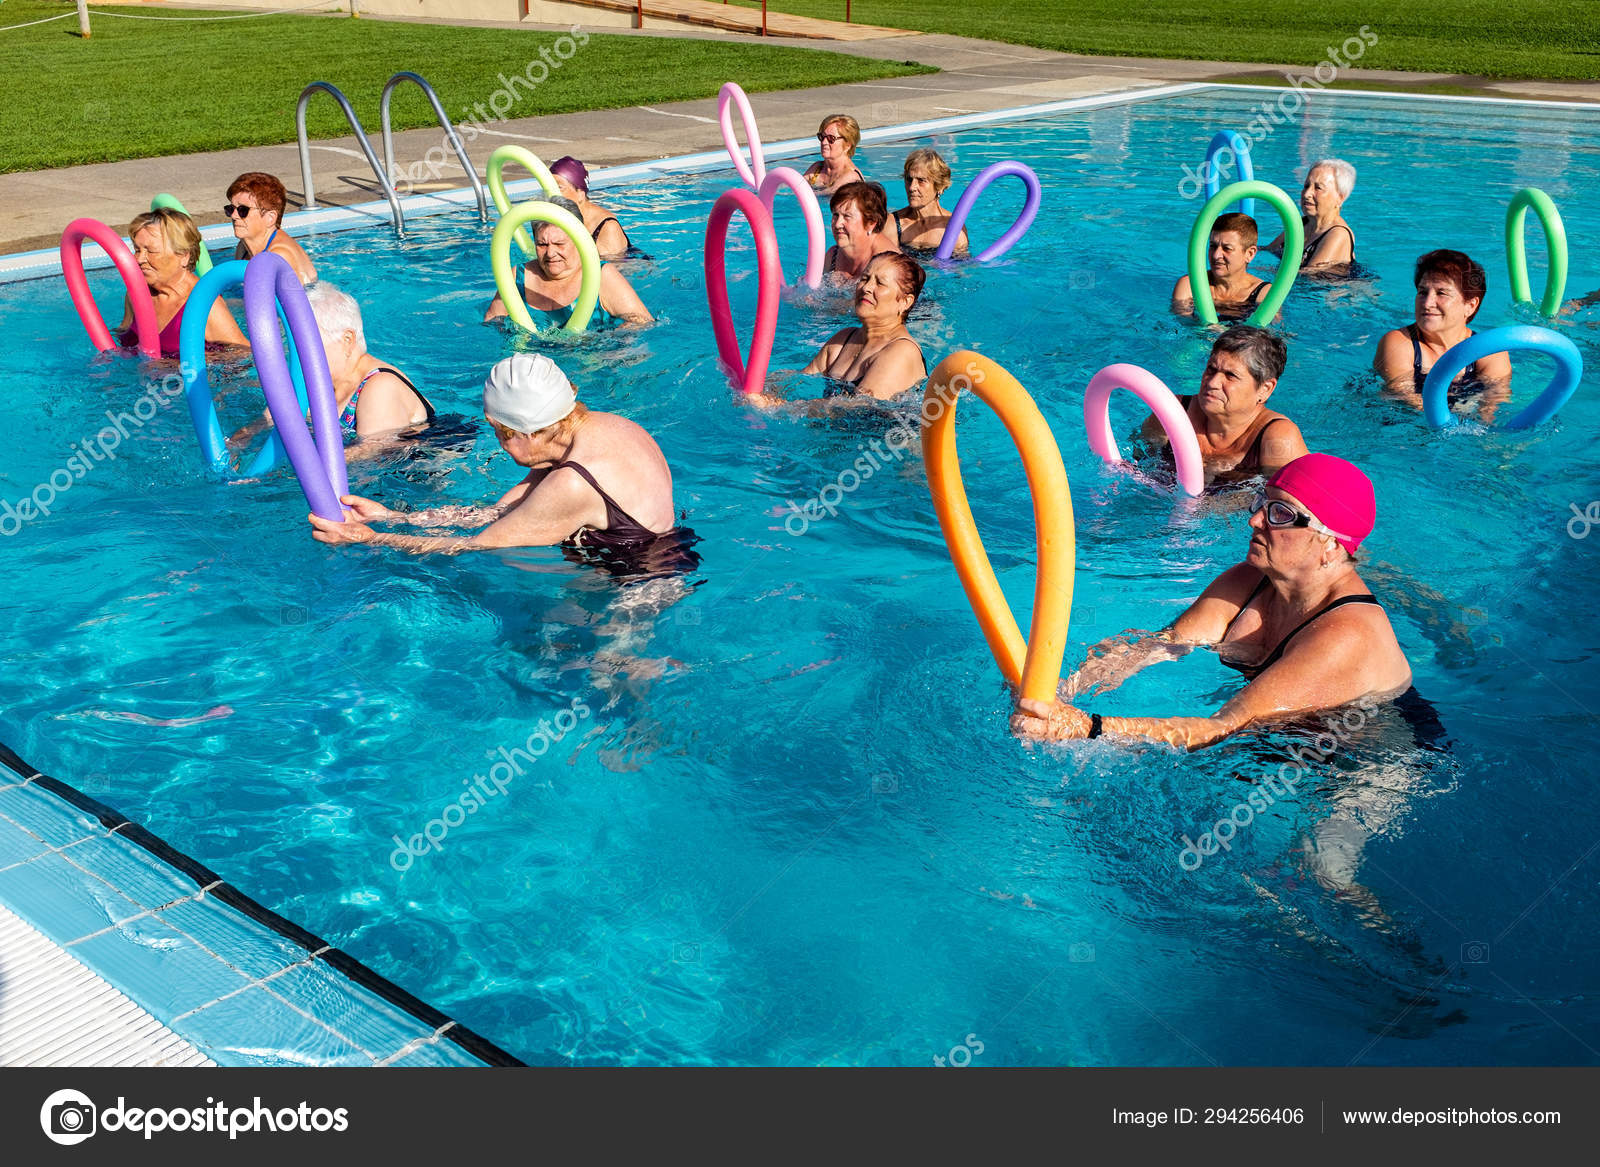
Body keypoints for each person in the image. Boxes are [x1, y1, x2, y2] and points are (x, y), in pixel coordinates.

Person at [1012, 454, 1412, 749]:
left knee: (1314, 862)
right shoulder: (1250, 580)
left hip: (1365, 766)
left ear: (1329, 543)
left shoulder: (1347, 635)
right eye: (1261, 503)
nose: (1255, 520)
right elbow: (1159, 645)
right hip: (1279, 745)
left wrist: (1088, 728)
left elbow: (1222, 727)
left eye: (1280, 513)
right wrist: (1058, 693)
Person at [308, 354, 698, 578]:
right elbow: (496, 512)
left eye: (498, 431)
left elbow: (472, 545)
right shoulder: (594, 428)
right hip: (666, 558)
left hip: (638, 591)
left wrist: (367, 538)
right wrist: (393, 516)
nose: (498, 440)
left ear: (524, 433)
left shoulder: (574, 484)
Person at [1139, 326, 1308, 485]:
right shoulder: (1173, 412)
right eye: (1211, 369)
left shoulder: (1278, 437)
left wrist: (1212, 505)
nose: (1212, 382)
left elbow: (1293, 503)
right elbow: (1140, 462)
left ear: (1265, 389)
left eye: (1230, 375)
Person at [1373, 250, 1511, 415]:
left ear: (1470, 305)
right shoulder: (1399, 343)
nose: (1427, 303)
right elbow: (1406, 399)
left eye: (1441, 293)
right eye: (1423, 292)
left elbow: (1492, 409)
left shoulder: (1490, 352)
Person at [483, 196, 651, 327]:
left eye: (559, 244)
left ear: (579, 240)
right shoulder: (519, 277)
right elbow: (491, 324)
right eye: (542, 244)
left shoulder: (601, 276)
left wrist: (609, 343)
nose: (550, 253)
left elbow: (643, 321)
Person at [117, 208, 248, 356]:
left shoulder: (205, 304)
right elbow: (123, 335)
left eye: (151, 251)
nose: (139, 259)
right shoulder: (136, 294)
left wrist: (176, 364)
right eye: (137, 250)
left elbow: (245, 354)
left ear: (184, 256)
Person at [800, 253, 927, 400]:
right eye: (865, 278)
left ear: (905, 302)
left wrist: (780, 406)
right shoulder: (844, 339)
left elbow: (852, 411)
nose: (866, 287)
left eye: (880, 283)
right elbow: (798, 382)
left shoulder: (901, 351)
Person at [1173, 212, 1272, 321]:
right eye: (1213, 246)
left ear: (1250, 254)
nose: (1216, 255)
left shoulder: (1263, 293)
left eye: (1227, 248)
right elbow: (1182, 325)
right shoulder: (1189, 285)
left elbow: (1269, 332)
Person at [226, 172, 317, 285]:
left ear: (270, 218)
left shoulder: (279, 256)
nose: (234, 216)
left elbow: (292, 301)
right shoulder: (243, 248)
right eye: (231, 209)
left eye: (243, 210)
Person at [1266, 159, 1356, 273]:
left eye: (1318, 188)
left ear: (1340, 198)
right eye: (1306, 185)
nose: (1307, 194)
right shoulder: (1303, 223)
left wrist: (1257, 271)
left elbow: (1307, 276)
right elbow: (1268, 250)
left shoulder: (1338, 234)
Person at [549, 156, 631, 259]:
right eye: (549, 187)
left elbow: (617, 270)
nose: (551, 193)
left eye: (559, 188)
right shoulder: (559, 218)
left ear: (580, 194)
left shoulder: (607, 228)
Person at [890, 148, 968, 255]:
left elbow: (961, 269)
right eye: (909, 179)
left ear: (939, 186)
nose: (912, 187)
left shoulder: (953, 229)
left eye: (921, 180)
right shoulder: (893, 224)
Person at [822, 182, 898, 284]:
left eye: (847, 216)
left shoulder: (888, 265)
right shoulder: (832, 256)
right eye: (836, 215)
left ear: (871, 223)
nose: (837, 224)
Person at [803, 114, 865, 196]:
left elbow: (822, 196)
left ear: (848, 145)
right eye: (822, 137)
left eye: (831, 138)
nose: (824, 142)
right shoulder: (817, 169)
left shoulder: (851, 177)